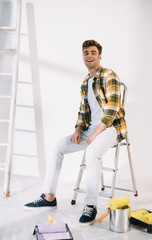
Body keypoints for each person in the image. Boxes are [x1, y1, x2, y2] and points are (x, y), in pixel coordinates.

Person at [24, 40, 127, 227]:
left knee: (92, 151)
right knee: (57, 146)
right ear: (83, 57)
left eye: (93, 52)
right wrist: (79, 129)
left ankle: (90, 205)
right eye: (86, 53)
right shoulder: (85, 82)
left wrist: (96, 132)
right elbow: (82, 111)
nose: (90, 56)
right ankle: (49, 197)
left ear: (100, 56)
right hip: (91, 131)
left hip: (110, 129)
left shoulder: (109, 75)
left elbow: (112, 108)